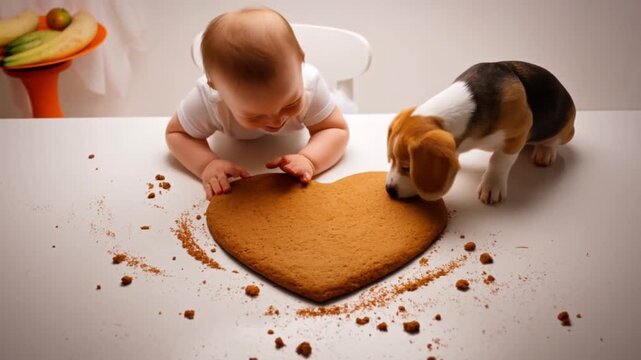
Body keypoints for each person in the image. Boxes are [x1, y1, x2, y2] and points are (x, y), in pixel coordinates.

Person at [165, 7, 349, 200]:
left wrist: (309, 159)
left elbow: (334, 129)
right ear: (217, 89)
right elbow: (176, 134)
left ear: (300, 61)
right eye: (255, 115)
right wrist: (206, 164)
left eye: (290, 104)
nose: (277, 121)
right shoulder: (208, 99)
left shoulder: (309, 84)